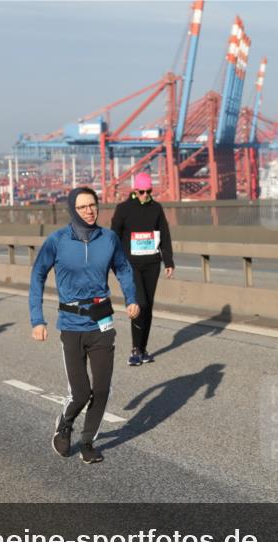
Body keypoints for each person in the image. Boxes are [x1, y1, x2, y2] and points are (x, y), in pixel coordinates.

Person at [30, 186, 140, 464]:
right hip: (70, 324)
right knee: (80, 392)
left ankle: (88, 441)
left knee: (101, 389)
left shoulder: (109, 238)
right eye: (83, 207)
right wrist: (37, 319)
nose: (89, 211)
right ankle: (65, 423)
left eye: (93, 205)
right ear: (72, 210)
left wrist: (131, 298)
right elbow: (38, 275)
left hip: (101, 321)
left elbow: (124, 268)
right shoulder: (57, 241)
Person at [110, 172, 174, 366]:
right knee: (140, 305)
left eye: (148, 192)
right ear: (134, 190)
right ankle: (135, 349)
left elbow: (165, 235)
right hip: (131, 265)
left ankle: (143, 349)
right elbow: (114, 235)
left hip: (152, 264)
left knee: (149, 308)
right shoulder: (123, 209)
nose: (145, 195)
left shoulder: (156, 208)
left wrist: (169, 261)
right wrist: (115, 259)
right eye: (142, 192)